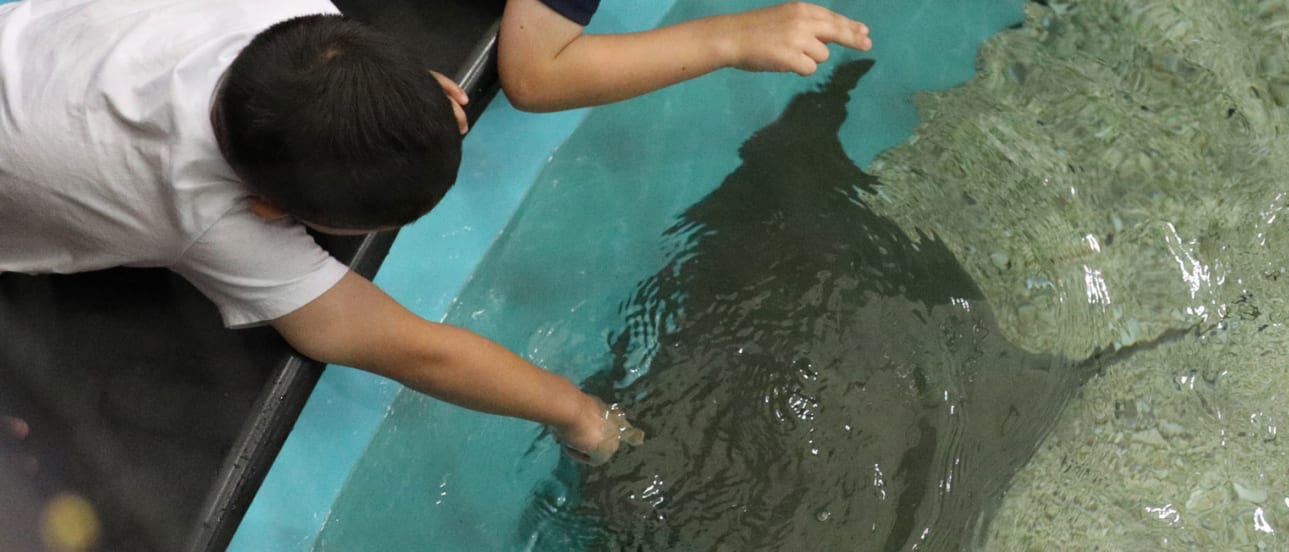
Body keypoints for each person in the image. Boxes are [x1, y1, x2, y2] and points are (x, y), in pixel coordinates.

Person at [0, 0, 871, 464]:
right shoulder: (212, 220)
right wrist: (580, 413)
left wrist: (394, 95)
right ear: (273, 213)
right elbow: (417, 350)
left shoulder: (266, 22)